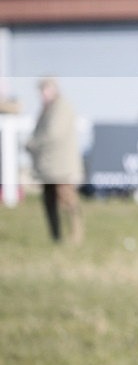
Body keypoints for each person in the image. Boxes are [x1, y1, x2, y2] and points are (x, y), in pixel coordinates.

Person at [26, 77, 84, 244]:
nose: (42, 94)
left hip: (62, 166)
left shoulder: (62, 107)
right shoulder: (46, 108)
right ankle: (56, 236)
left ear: (53, 89)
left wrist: (32, 144)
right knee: (49, 200)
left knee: (67, 200)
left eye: (45, 89)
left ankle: (75, 235)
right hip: (49, 166)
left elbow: (53, 133)